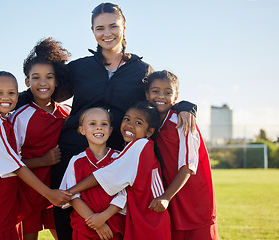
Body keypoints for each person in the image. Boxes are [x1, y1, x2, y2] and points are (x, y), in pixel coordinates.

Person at [16, 3, 197, 239]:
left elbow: (160, 95)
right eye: (100, 28)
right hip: (74, 149)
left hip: (118, 155)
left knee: (114, 218)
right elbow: (45, 89)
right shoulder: (80, 67)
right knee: (67, 207)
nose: (107, 33)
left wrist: (186, 106)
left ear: (124, 27)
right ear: (92, 31)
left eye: (113, 26)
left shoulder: (142, 70)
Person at [0, 71, 71, 240]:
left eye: (11, 93)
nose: (6, 97)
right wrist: (49, 193)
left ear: (18, 95)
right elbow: (16, 165)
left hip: (7, 206)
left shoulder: (3, 120)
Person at [67, 102, 171, 240]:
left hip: (149, 219)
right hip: (143, 218)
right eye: (127, 119)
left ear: (150, 131)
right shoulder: (139, 147)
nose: (130, 125)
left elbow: (102, 177)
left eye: (138, 122)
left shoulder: (139, 146)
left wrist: (69, 192)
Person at [145, 70, 218, 240]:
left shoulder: (183, 122)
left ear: (176, 96)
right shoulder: (151, 123)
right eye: (155, 91)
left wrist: (166, 196)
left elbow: (188, 167)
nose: (161, 96)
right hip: (173, 198)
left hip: (194, 198)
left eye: (168, 92)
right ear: (147, 94)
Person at [10, 38, 71, 240]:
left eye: (49, 77)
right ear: (27, 82)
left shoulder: (68, 114)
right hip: (28, 192)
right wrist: (42, 161)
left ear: (56, 81)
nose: (42, 82)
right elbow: (10, 163)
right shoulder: (19, 116)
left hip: (59, 190)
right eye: (36, 77)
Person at [60, 107, 126, 240]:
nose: (99, 127)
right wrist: (96, 223)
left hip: (113, 227)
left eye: (104, 124)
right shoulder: (76, 161)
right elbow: (71, 195)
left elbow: (124, 195)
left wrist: (103, 217)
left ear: (110, 130)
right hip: (85, 227)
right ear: (82, 130)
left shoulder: (120, 158)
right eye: (92, 123)